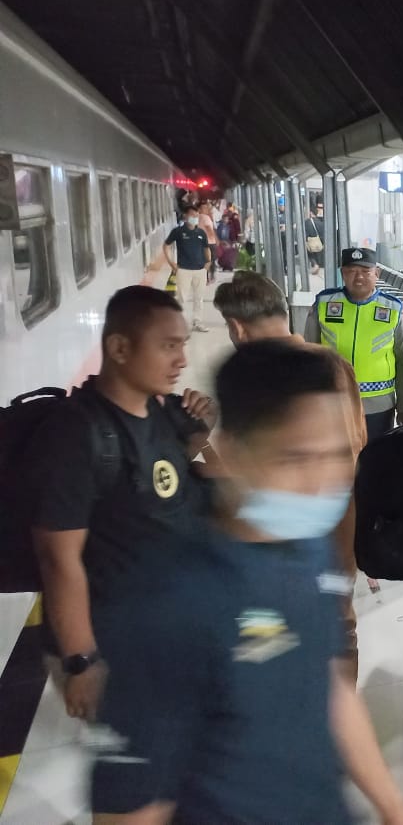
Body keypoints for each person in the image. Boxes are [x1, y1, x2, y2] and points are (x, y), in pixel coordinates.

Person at [88, 341, 403, 825]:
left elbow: (324, 685)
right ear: (236, 454)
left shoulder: (305, 545)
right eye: (296, 459)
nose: (323, 482)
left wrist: (393, 808)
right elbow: (130, 810)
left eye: (337, 454)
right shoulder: (166, 604)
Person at [30, 286, 215, 722]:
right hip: (113, 646)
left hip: (164, 628)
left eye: (183, 345)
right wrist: (81, 660)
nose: (182, 360)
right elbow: (58, 559)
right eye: (168, 346)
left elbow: (212, 481)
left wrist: (200, 437)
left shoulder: (166, 413)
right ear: (118, 348)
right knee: (142, 774)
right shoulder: (77, 434)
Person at [213, 271, 367, 679]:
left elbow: (239, 478)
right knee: (338, 631)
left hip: (273, 555)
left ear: (236, 327)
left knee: (269, 642)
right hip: (340, 539)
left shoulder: (249, 381)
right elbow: (357, 444)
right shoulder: (334, 365)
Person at [305, 247, 403, 439]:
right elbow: (308, 354)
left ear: (376, 273)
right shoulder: (324, 304)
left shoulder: (392, 309)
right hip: (334, 402)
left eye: (365, 272)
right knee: (340, 463)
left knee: (376, 461)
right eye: (351, 272)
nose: (358, 278)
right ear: (342, 273)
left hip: (379, 406)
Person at [162, 211, 212, 332]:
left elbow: (206, 248)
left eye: (196, 216)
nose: (194, 218)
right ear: (186, 216)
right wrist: (171, 262)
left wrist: (208, 262)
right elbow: (166, 245)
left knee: (199, 298)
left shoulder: (201, 233)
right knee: (181, 298)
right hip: (183, 269)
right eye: (192, 216)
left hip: (200, 270)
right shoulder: (178, 231)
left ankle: (197, 321)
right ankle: (179, 323)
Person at [197, 200, 220, 284]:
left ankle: (205, 278)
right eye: (204, 208)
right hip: (210, 242)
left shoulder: (197, 217)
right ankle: (211, 276)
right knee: (211, 260)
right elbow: (209, 229)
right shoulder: (205, 217)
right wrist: (216, 239)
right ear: (199, 209)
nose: (206, 209)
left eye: (207, 207)